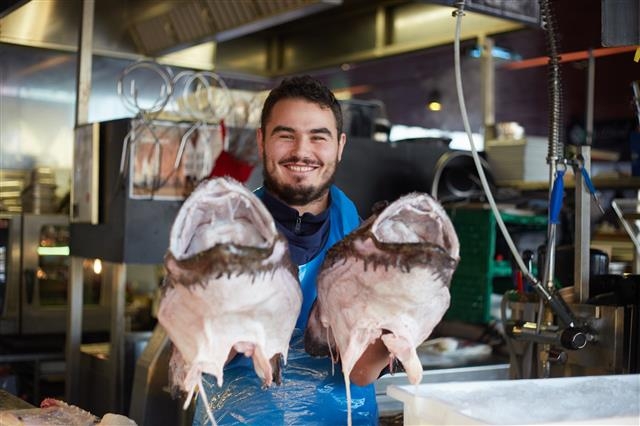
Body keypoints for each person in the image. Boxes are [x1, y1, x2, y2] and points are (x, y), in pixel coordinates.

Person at [192, 76, 391, 425]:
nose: (302, 151)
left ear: (339, 146)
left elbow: (360, 372)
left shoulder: (365, 241)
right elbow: (192, 357)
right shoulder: (219, 236)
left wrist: (401, 324)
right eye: (286, 135)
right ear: (262, 141)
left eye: (318, 137)